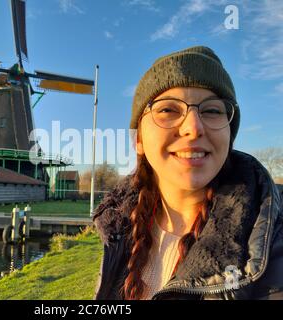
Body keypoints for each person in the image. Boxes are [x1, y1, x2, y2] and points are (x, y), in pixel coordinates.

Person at [92, 46, 283, 300]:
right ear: (138, 139)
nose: (193, 128)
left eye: (212, 110)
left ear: (229, 136)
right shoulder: (120, 226)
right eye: (168, 110)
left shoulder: (274, 241)